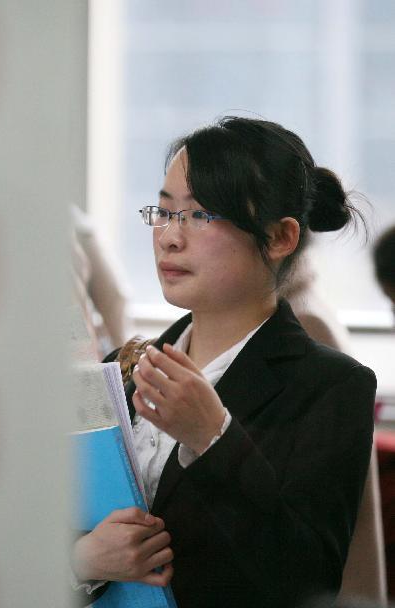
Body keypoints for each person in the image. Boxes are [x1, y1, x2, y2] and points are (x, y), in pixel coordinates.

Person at [71, 116, 377, 608]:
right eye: (164, 211)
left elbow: (307, 583)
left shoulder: (332, 386)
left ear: (280, 238)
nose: (170, 237)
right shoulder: (123, 368)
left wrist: (214, 439)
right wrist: (82, 561)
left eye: (202, 215)